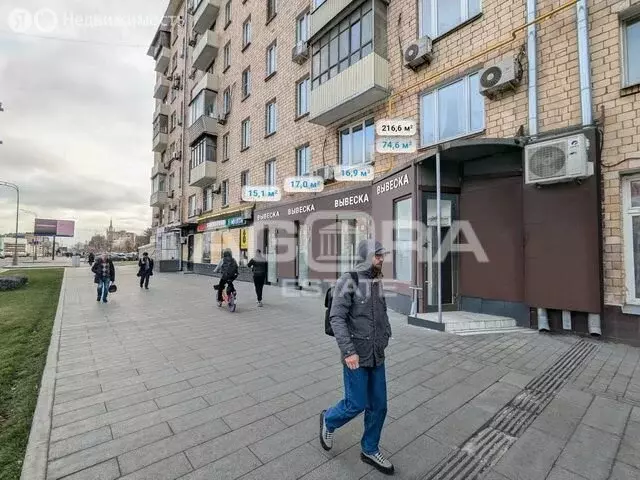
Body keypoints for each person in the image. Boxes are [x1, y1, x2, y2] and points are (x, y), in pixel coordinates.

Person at [319, 239, 394, 475]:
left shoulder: (376, 281)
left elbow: (382, 313)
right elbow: (337, 318)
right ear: (367, 256)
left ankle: (369, 449)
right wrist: (348, 351)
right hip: (355, 356)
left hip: (376, 354)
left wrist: (386, 335)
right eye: (378, 255)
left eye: (382, 255)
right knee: (356, 404)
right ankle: (329, 420)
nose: (382, 259)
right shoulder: (347, 280)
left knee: (379, 405)